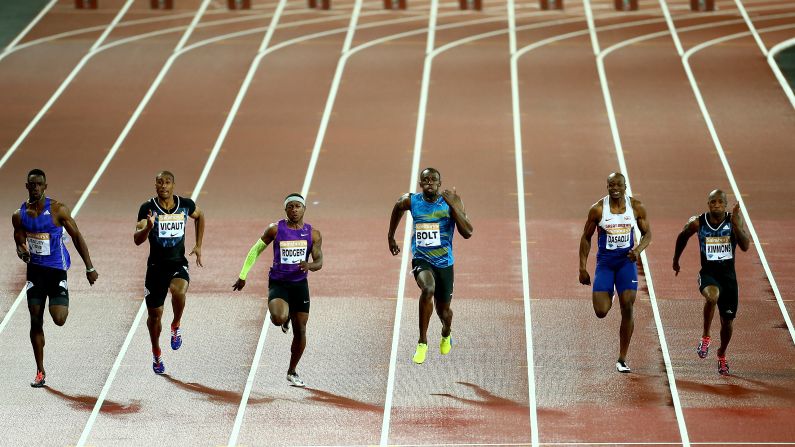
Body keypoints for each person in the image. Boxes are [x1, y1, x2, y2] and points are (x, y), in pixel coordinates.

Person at [12, 169, 98, 387]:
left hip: (57, 270)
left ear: (45, 186)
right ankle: (40, 371)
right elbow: (19, 239)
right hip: (35, 272)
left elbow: (77, 236)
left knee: (59, 319)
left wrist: (89, 267)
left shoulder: (59, 210)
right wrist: (22, 250)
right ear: (27, 186)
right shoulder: (19, 215)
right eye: (32, 184)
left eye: (39, 184)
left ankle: (58, 301)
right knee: (35, 318)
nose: (36, 188)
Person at [232, 193, 323, 387]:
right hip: (279, 283)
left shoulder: (313, 234)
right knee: (278, 318)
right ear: (286, 210)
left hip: (300, 285)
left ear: (304, 209)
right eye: (291, 207)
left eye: (298, 206)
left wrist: (310, 266)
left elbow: (319, 261)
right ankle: (285, 316)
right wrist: (243, 275)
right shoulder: (275, 229)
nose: (294, 210)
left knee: (301, 330)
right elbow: (255, 249)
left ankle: (292, 371)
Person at [388, 167, 473, 365]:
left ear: (439, 183)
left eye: (433, 179)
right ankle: (422, 341)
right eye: (425, 180)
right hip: (422, 258)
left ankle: (446, 332)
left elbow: (468, 232)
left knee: (444, 312)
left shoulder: (452, 200)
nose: (429, 183)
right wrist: (391, 236)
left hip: (444, 262)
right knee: (428, 289)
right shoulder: (412, 201)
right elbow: (397, 207)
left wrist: (452, 205)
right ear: (420, 184)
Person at [579, 172, 651, 373]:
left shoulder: (636, 207)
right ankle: (608, 292)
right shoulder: (598, 210)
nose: (615, 188)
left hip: (626, 264)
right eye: (611, 185)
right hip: (606, 264)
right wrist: (582, 267)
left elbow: (648, 234)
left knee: (627, 305)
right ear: (607, 187)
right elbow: (586, 238)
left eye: (619, 184)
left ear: (625, 186)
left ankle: (622, 358)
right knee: (601, 312)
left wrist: (637, 250)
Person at [672, 189, 749, 376]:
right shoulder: (697, 222)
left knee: (727, 322)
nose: (716, 205)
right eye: (712, 202)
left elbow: (745, 246)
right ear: (708, 204)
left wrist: (736, 224)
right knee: (712, 297)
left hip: (729, 278)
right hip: (709, 274)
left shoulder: (733, 220)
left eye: (720, 202)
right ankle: (705, 336)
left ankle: (721, 354)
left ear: (725, 204)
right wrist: (676, 260)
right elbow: (682, 237)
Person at [134, 171, 204, 374]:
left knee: (179, 291)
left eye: (167, 182)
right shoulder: (147, 208)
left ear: (173, 185)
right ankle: (156, 354)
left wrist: (198, 245)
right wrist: (148, 228)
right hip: (155, 268)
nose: (163, 186)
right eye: (159, 182)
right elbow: (137, 239)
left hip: (177, 263)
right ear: (155, 185)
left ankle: (176, 324)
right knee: (154, 318)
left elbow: (200, 216)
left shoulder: (185, 204)